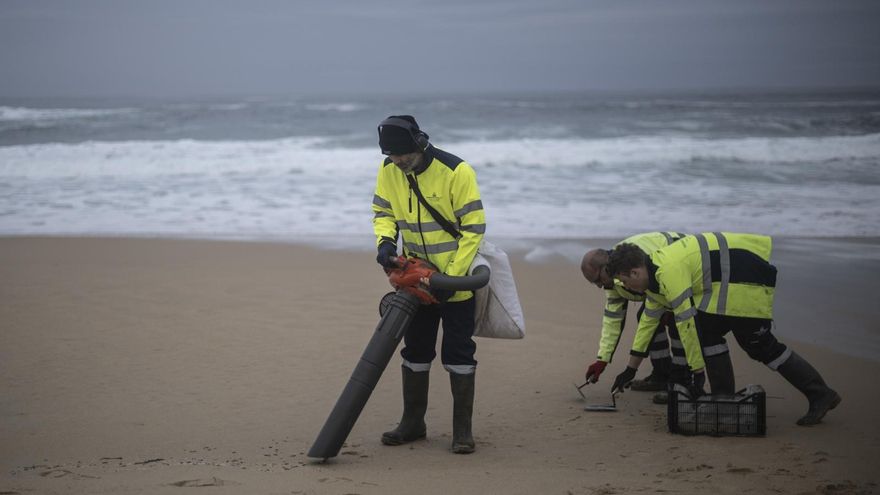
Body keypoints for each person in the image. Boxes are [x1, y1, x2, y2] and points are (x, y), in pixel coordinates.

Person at [607, 232, 841, 426]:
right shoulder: (653, 279)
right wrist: (630, 370)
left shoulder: (668, 271)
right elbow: (648, 323)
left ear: (635, 272)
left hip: (744, 276)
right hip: (724, 284)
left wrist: (697, 374)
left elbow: (686, 323)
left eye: (625, 281)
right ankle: (723, 398)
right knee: (708, 332)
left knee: (760, 345)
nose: (626, 288)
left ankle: (820, 393)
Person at [371, 115, 486, 453]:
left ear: (420, 143)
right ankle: (413, 424)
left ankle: (462, 432)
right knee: (416, 351)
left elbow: (474, 228)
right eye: (391, 156)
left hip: (456, 282)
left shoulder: (457, 171)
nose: (397, 162)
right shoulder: (390, 170)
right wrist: (385, 244)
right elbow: (383, 212)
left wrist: (448, 278)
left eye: (402, 155)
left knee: (459, 353)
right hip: (416, 282)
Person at [581, 232, 688, 397]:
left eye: (598, 280)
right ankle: (662, 374)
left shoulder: (633, 261)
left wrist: (668, 309)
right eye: (594, 283)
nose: (599, 286)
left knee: (677, 322)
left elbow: (666, 281)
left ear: (606, 267)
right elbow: (613, 321)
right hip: (659, 287)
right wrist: (602, 359)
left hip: (681, 264)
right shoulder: (612, 280)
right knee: (646, 317)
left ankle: (682, 382)